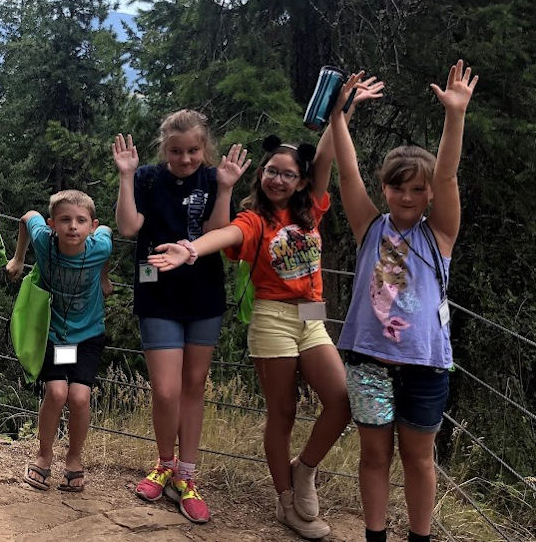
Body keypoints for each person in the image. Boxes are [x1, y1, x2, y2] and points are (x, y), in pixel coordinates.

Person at [148, 73, 382, 539]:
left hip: (312, 316)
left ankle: (304, 469)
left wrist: (342, 110)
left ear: (301, 182)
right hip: (272, 318)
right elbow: (227, 235)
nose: (277, 179)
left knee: (341, 401)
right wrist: (191, 249)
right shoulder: (254, 218)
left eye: (288, 174)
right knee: (285, 412)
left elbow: (330, 155)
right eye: (271, 171)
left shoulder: (312, 207)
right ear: (262, 175)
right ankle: (287, 504)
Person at [332, 61, 475, 542]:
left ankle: (419, 537)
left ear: (430, 192)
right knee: (373, 456)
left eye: (418, 188)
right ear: (385, 187)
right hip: (369, 361)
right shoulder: (370, 227)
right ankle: (375, 536)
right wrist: (338, 118)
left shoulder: (440, 235)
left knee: (418, 458)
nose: (408, 196)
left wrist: (454, 116)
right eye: (398, 186)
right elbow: (347, 173)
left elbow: (450, 174)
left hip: (425, 364)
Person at [112, 111, 250, 522]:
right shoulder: (148, 178)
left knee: (193, 385)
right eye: (176, 151)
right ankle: (164, 463)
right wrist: (125, 177)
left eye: (193, 150)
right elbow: (128, 227)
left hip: (203, 294)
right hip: (156, 292)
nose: (185, 158)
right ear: (164, 148)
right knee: (166, 389)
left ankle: (186, 477)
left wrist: (225, 189)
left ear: (204, 148)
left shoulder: (211, 179)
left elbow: (218, 234)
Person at [6, 191, 113, 493]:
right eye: (65, 220)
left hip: (89, 334)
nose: (73, 227)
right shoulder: (43, 241)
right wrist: (18, 258)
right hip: (55, 333)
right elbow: (28, 216)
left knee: (79, 398)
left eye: (81, 221)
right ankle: (44, 455)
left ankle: (75, 460)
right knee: (56, 393)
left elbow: (108, 235)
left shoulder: (99, 245)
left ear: (91, 226)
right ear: (53, 224)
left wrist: (103, 279)